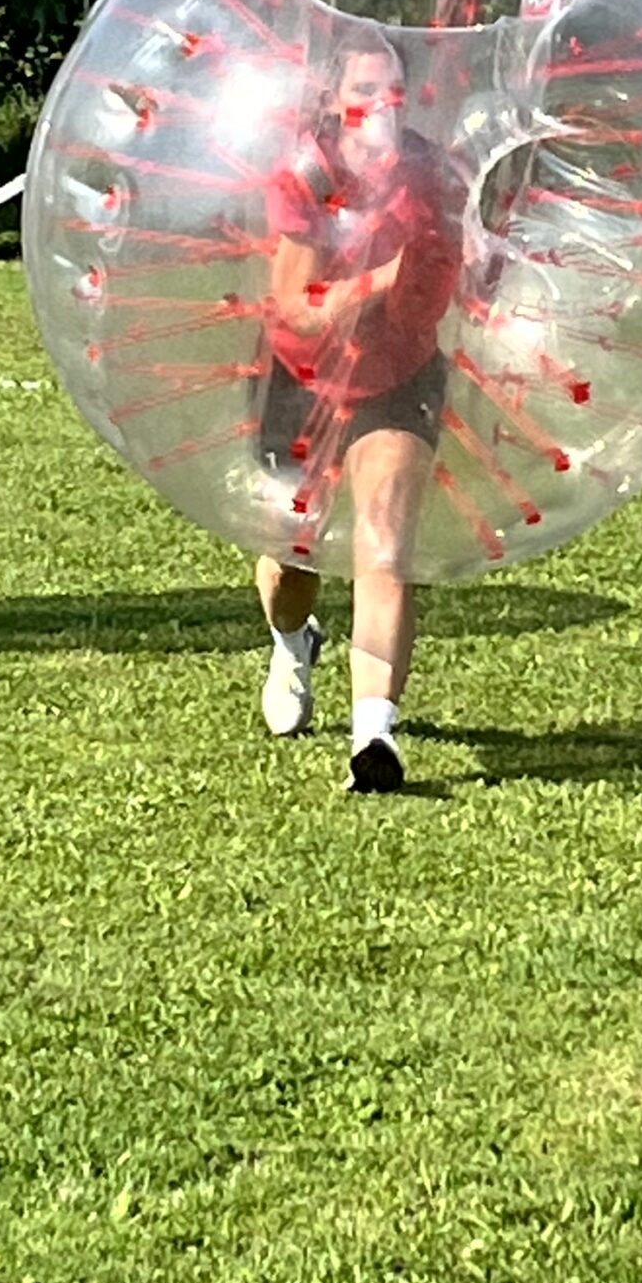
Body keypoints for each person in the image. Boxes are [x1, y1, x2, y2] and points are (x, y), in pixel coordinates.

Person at [254, 40, 463, 791]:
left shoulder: (430, 173)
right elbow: (297, 309)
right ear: (333, 97)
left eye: (397, 88)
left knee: (384, 543)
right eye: (367, 87)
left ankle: (374, 737)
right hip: (303, 372)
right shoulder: (308, 172)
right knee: (292, 557)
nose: (385, 103)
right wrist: (377, 280)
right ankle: (291, 640)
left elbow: (454, 265)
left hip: (396, 371)